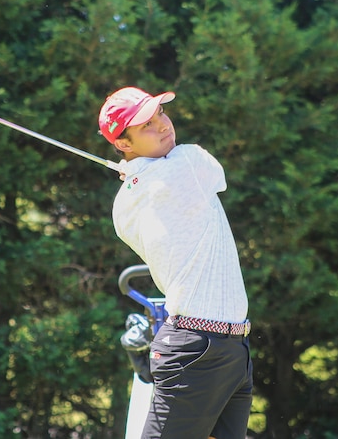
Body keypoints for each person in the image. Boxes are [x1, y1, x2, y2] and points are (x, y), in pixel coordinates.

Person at [98, 87, 252, 439]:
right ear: (123, 143)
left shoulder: (124, 206)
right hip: (198, 347)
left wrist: (141, 173)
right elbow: (213, 173)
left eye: (160, 115)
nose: (163, 126)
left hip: (229, 347)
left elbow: (154, 188)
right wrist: (147, 173)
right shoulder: (188, 163)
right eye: (147, 125)